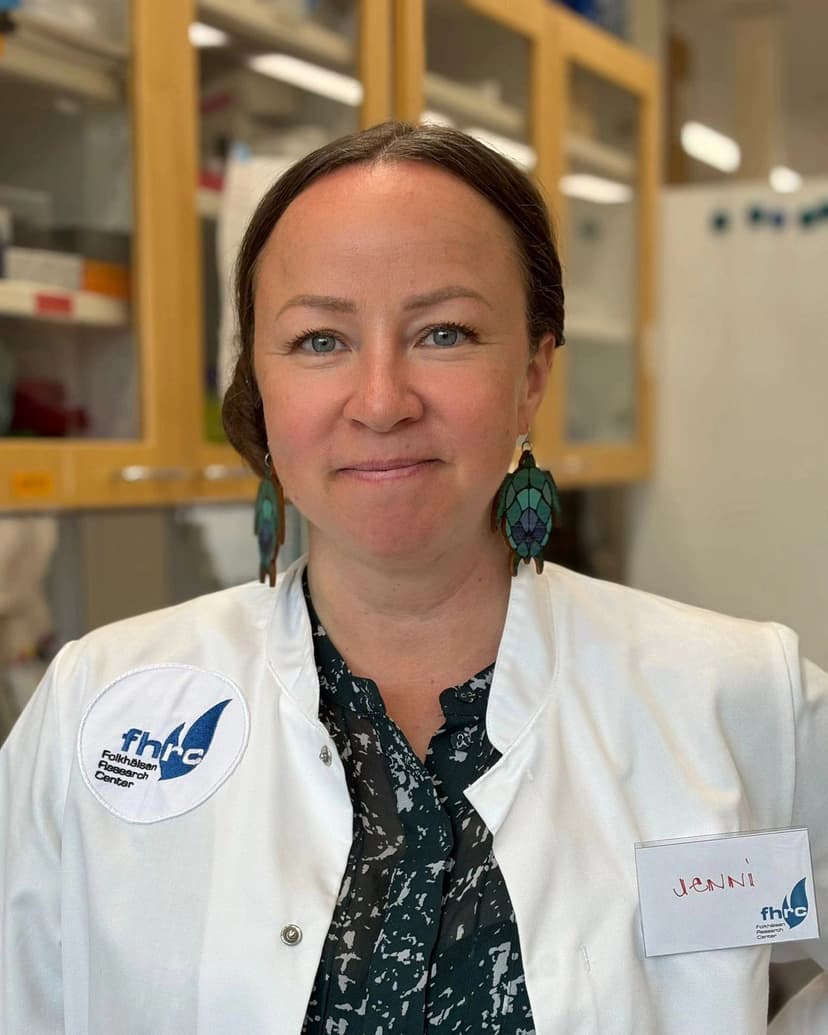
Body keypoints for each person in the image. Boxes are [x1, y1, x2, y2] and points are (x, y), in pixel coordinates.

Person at [0, 120, 826, 1034]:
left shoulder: (734, 693)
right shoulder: (102, 708)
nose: (383, 400)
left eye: (444, 331)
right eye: (320, 340)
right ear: (261, 389)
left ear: (532, 375)